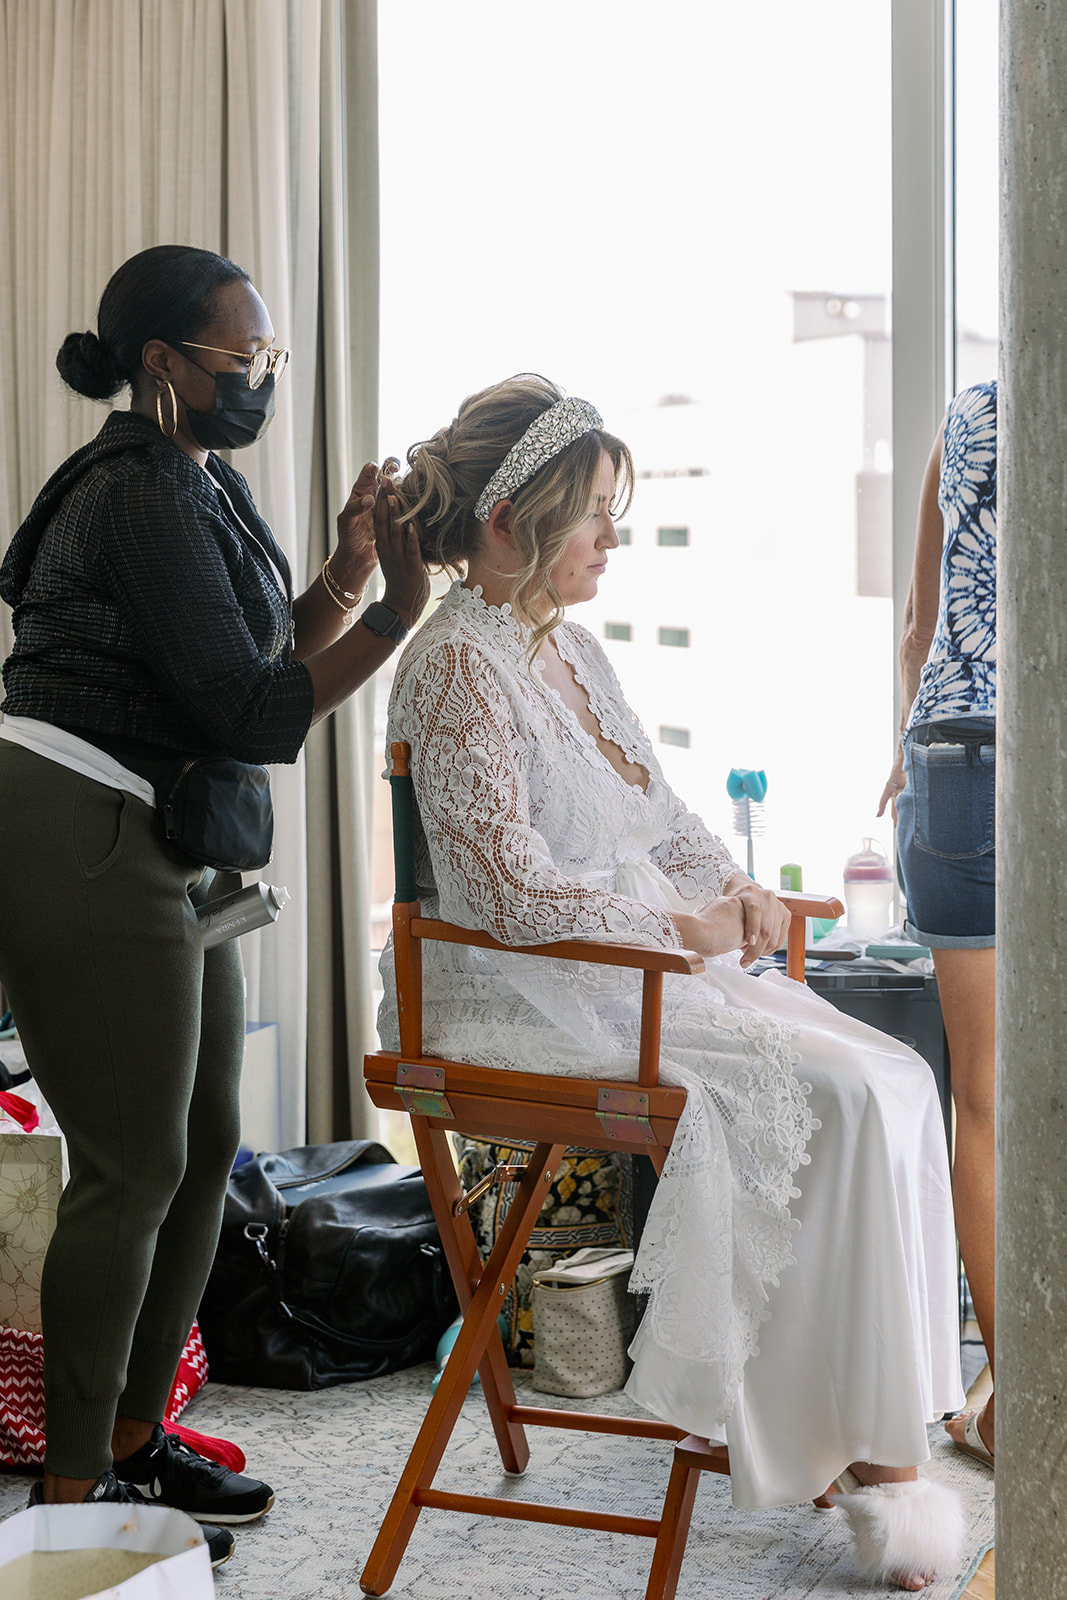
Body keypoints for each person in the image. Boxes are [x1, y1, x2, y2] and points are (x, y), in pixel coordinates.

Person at [378, 375, 968, 1592]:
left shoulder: (574, 652)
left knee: (896, 1074)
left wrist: (737, 896)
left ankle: (864, 1421)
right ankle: (847, 1448)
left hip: (624, 962)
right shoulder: (451, 671)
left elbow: (664, 818)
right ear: (508, 522)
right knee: (831, 1097)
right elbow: (502, 892)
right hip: (512, 988)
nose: (612, 537)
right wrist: (679, 925)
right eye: (593, 513)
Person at [0, 245, 429, 1566]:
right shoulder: (133, 497)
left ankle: (135, 1437)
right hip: (81, 821)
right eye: (239, 358)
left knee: (201, 1146)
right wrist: (405, 609)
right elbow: (254, 715)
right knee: (126, 1170)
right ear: (161, 365)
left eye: (269, 358)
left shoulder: (202, 485)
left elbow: (252, 663)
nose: (257, 378)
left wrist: (352, 573)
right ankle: (76, 1493)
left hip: (170, 829)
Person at [878, 380, 997, 1469]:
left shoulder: (962, 418)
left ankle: (1013, 1392)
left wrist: (897, 753)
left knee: (983, 1102)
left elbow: (918, 624)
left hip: (953, 752)